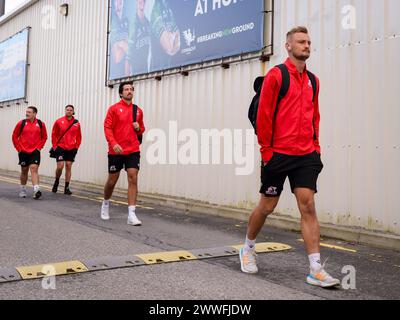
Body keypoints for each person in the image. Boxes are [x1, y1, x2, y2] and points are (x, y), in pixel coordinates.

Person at [239, 26, 340, 288]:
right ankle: (248, 248)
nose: (306, 45)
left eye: (308, 41)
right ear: (288, 46)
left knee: (307, 206)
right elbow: (264, 116)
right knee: (268, 205)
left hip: (305, 153)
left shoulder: (313, 81)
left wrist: (315, 146)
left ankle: (315, 268)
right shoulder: (276, 75)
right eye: (301, 42)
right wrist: (267, 151)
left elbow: (315, 115)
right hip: (278, 153)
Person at [101, 82, 145, 226]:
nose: (129, 91)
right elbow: (107, 127)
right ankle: (106, 203)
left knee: (133, 178)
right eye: (126, 89)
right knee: (112, 180)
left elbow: (141, 129)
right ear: (121, 93)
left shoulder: (137, 111)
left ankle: (131, 214)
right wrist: (113, 143)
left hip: (133, 149)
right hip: (116, 150)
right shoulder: (113, 109)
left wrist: (139, 128)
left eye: (131, 89)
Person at [12, 106, 48, 200]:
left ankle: (36, 190)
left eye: (29, 112)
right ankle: (23, 189)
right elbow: (15, 136)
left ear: (35, 114)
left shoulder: (40, 124)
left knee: (34, 168)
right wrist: (19, 149)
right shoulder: (21, 123)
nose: (27, 113)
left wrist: (39, 148)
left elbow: (44, 137)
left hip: (35, 151)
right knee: (24, 170)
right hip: (23, 151)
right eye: (26, 112)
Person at [51, 105, 82, 195]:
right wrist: (54, 146)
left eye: (70, 110)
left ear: (73, 112)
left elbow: (79, 136)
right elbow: (54, 134)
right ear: (65, 111)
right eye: (67, 110)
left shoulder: (77, 123)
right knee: (60, 166)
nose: (69, 111)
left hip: (72, 148)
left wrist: (76, 147)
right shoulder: (59, 121)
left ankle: (66, 187)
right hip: (60, 147)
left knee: (68, 165)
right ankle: (56, 182)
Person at [149, 0, 180, 71]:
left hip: (169, 70)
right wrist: (173, 36)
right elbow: (169, 47)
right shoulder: (156, 10)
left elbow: (178, 42)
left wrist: (170, 36)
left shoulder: (168, 8)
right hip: (157, 73)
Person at [126, 0, 152, 76]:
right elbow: (128, 56)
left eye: (143, 1)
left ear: (145, 3)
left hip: (146, 69)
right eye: (139, 1)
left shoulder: (148, 23)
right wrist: (127, 79)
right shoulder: (133, 24)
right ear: (136, 2)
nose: (141, 2)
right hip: (135, 72)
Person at [109, 0, 130, 80]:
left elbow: (130, 46)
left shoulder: (126, 20)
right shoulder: (112, 21)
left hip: (125, 71)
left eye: (121, 0)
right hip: (115, 74)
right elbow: (117, 57)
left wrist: (123, 44)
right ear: (114, 3)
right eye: (117, 1)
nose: (120, 2)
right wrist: (125, 44)